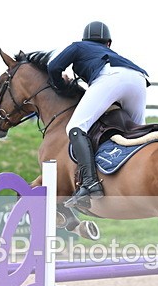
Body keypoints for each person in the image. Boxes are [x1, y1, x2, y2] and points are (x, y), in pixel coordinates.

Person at [47, 21, 149, 207]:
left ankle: (90, 182)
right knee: (138, 132)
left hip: (111, 77)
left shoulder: (78, 46)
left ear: (85, 39)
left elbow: (53, 67)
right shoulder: (112, 53)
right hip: (139, 79)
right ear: (108, 43)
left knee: (76, 127)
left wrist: (61, 87)